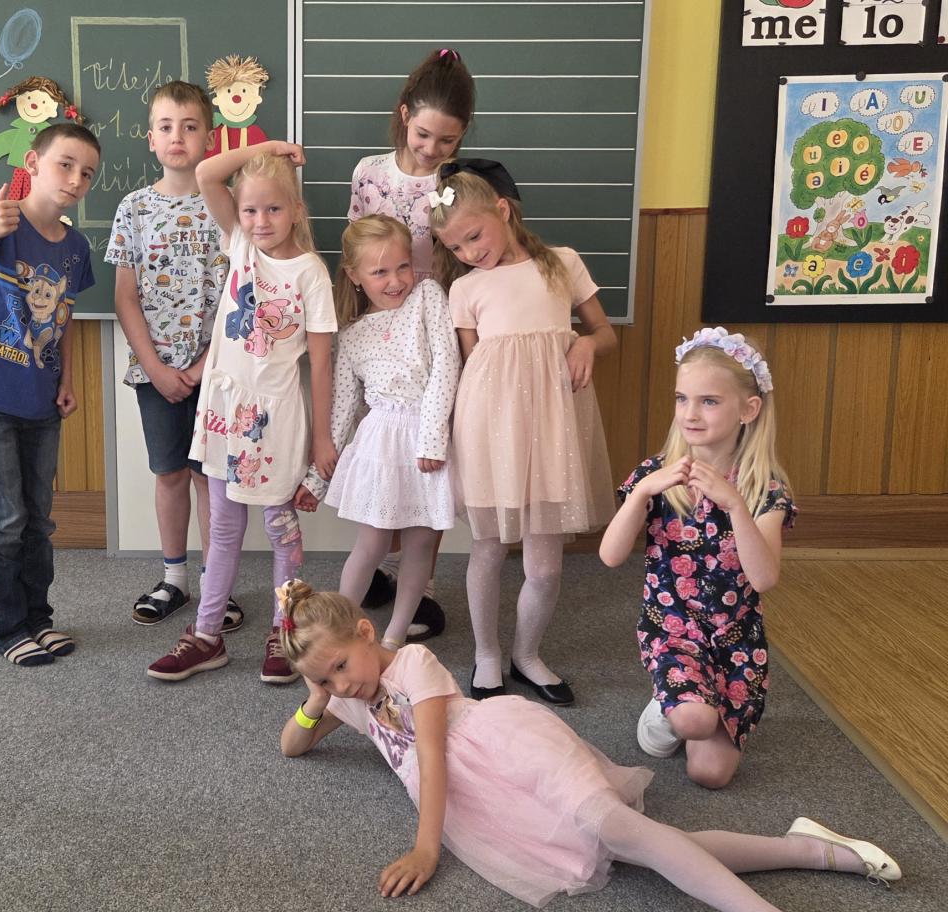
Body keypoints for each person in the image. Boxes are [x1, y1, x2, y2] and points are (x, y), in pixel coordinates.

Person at [277, 581, 901, 910]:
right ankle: (813, 850)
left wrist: (425, 848)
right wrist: (316, 697)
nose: (342, 684)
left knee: (621, 831)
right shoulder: (348, 700)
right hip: (487, 800)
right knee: (635, 847)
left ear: (367, 632)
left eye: (341, 665)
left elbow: (433, 754)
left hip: (511, 753)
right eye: (326, 678)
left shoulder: (412, 663)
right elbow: (292, 746)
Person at [146, 142, 336, 683]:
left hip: (276, 422)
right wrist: (270, 149)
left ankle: (284, 631)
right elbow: (208, 172)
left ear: (296, 210)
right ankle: (207, 635)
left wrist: (322, 439)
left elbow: (321, 363)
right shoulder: (240, 244)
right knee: (223, 528)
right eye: (250, 209)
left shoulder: (310, 272)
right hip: (225, 414)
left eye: (274, 208)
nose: (260, 220)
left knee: (280, 528)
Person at [430, 161, 616, 704]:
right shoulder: (464, 288)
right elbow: (471, 366)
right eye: (455, 246)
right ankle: (487, 654)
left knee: (545, 565)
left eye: (474, 236)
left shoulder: (562, 264)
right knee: (488, 546)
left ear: (502, 211)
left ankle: (527, 654)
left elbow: (606, 333)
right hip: (490, 425)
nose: (468, 252)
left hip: (553, 426)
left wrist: (586, 343)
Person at [600, 328, 795, 789]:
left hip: (736, 641)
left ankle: (691, 702)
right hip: (672, 629)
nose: (690, 413)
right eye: (682, 398)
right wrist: (641, 494)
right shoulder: (656, 473)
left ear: (748, 409)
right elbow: (610, 556)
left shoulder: (765, 487)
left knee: (710, 775)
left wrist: (735, 505)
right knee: (694, 721)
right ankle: (671, 706)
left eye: (709, 401)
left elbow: (764, 578)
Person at [0, 122, 100, 666]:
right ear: (32, 163)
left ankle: (38, 619)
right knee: (4, 521)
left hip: (42, 402)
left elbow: (65, 319)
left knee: (38, 520)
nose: (75, 179)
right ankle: (7, 628)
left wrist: (67, 380)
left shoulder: (75, 247)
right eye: (65, 165)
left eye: (87, 173)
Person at [348, 47, 476, 639]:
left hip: (435, 323)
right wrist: (356, 324)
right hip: (380, 327)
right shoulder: (369, 172)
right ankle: (381, 568)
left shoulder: (458, 184)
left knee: (429, 459)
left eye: (447, 140)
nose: (431, 149)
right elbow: (356, 244)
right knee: (383, 452)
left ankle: (413, 587)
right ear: (404, 116)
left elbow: (465, 258)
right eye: (423, 134)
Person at [108, 80, 241, 633]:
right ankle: (175, 579)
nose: (177, 136)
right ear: (150, 138)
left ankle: (217, 586)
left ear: (210, 137)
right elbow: (124, 297)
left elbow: (243, 290)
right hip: (155, 372)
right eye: (165, 127)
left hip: (220, 370)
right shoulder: (134, 208)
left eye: (189, 126)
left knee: (211, 480)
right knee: (169, 474)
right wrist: (158, 369)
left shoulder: (228, 204)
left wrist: (206, 363)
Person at [322, 215, 459, 650]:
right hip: (380, 443)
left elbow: (446, 364)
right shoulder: (353, 333)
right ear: (355, 276)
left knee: (420, 543)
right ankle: (341, 632)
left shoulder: (428, 296)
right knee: (372, 544)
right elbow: (344, 407)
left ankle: (394, 638)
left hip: (427, 438)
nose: (395, 280)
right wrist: (316, 476)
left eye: (403, 267)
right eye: (380, 272)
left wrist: (433, 438)